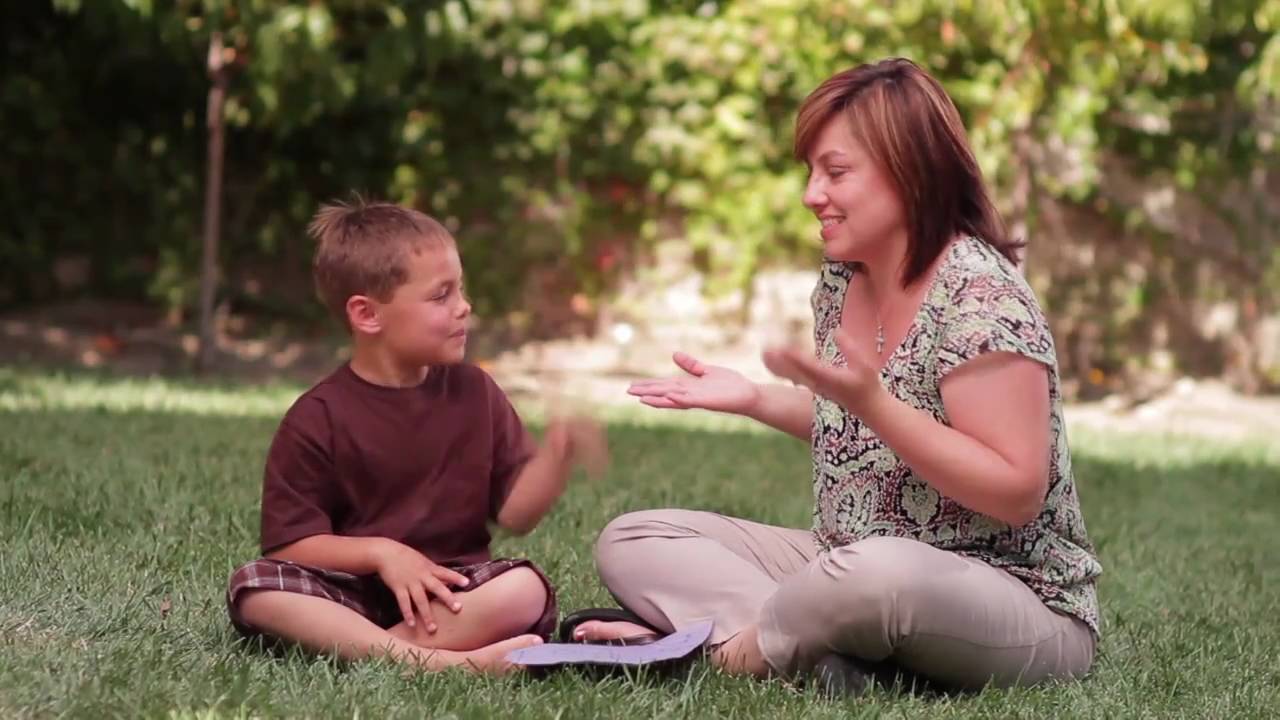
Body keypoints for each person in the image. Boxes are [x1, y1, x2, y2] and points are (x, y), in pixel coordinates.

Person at [563, 57, 1102, 694]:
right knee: (636, 538)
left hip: (1011, 596)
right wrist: (755, 399)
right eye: (811, 171)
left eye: (836, 172)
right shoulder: (844, 279)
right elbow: (852, 426)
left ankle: (703, 653)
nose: (811, 194)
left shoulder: (980, 296)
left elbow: (1015, 491)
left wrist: (874, 404)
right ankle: (819, 653)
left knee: (873, 579)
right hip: (841, 559)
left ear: (910, 173)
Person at [225, 199, 604, 674]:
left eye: (460, 290)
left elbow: (516, 515)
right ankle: (431, 662)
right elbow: (289, 547)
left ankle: (369, 652)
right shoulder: (316, 417)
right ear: (367, 315)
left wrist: (556, 457)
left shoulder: (476, 393)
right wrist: (382, 554)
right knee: (255, 588)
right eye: (440, 295)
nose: (464, 307)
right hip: (349, 593)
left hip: (450, 591)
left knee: (524, 588)